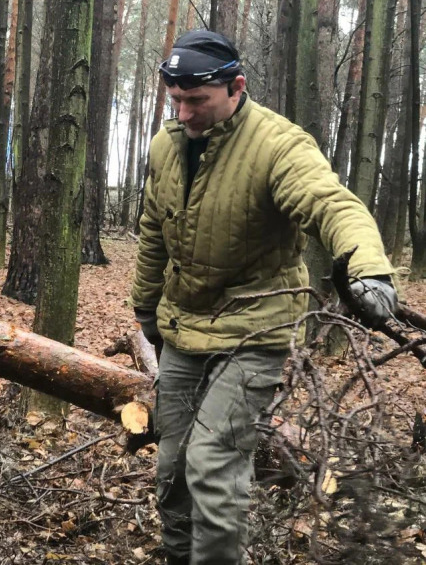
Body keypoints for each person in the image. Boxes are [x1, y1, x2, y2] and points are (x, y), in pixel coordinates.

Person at [130, 30, 397, 565]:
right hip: (183, 324)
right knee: (173, 463)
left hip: (256, 329)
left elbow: (332, 205)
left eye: (196, 101)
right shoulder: (166, 145)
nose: (183, 113)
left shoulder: (279, 145)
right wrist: (146, 309)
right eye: (175, 99)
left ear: (236, 87)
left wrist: (369, 268)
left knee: (212, 461)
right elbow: (155, 231)